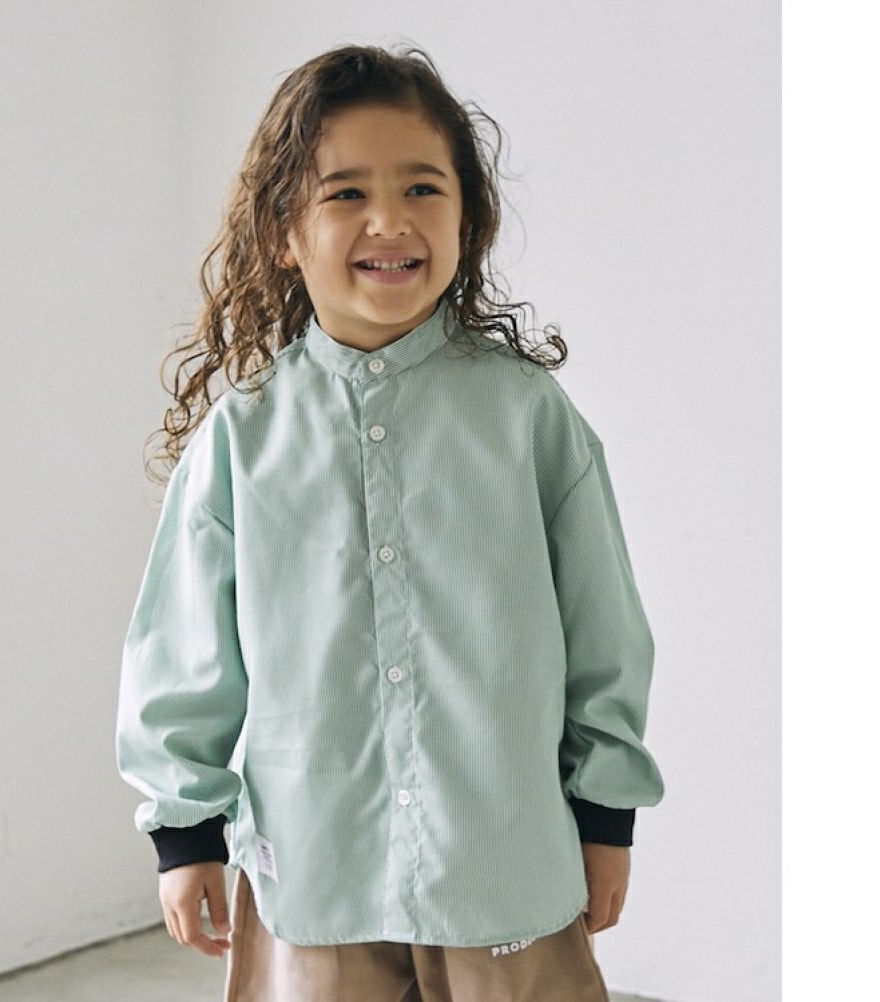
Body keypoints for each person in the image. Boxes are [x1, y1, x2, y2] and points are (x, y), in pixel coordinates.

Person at [115, 42, 665, 1002]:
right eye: (345, 193)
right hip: (314, 874)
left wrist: (605, 815)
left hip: (504, 868)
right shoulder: (243, 437)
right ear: (283, 233)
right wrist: (185, 832)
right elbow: (183, 652)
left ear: (468, 217)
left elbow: (604, 632)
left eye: (422, 188)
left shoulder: (527, 417)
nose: (390, 221)